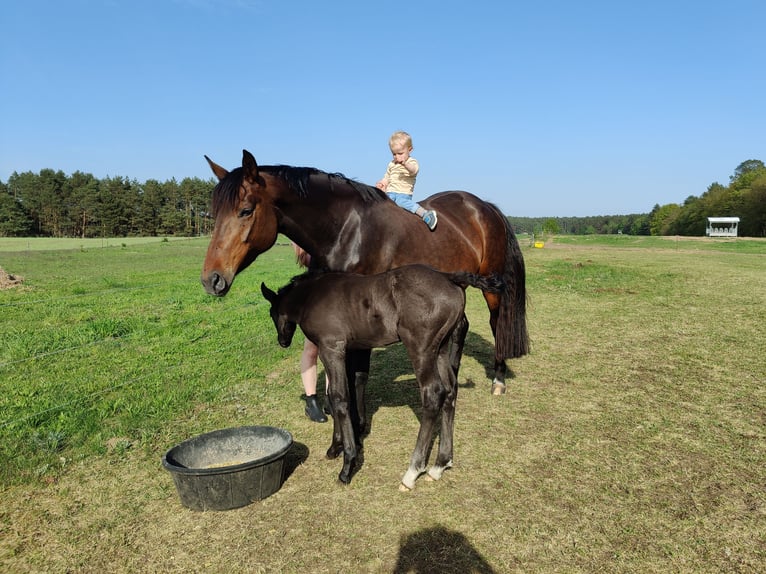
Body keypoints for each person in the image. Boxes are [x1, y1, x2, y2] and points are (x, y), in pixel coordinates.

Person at [291, 242, 328, 422]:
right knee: (311, 348)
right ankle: (311, 401)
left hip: (335, 293)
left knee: (332, 348)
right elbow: (303, 258)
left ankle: (331, 396)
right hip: (314, 294)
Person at [375, 131, 437, 231]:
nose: (397, 157)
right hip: (390, 193)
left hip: (403, 194)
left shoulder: (411, 162)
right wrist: (382, 183)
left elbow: (414, 170)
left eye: (400, 153)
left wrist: (405, 164)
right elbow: (387, 177)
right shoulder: (392, 164)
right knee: (381, 203)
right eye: (394, 154)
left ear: (410, 150)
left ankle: (425, 214)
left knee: (402, 202)